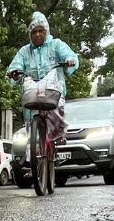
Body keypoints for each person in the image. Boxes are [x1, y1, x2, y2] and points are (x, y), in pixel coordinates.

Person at [6, 12, 78, 145]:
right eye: (34, 32)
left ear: (47, 31)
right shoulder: (24, 51)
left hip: (53, 88)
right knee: (30, 118)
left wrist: (69, 61)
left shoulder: (56, 45)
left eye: (41, 31)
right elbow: (14, 66)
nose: (38, 34)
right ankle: (34, 146)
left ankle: (58, 134)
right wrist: (13, 73)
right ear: (30, 34)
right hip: (32, 92)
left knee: (57, 108)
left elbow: (70, 56)